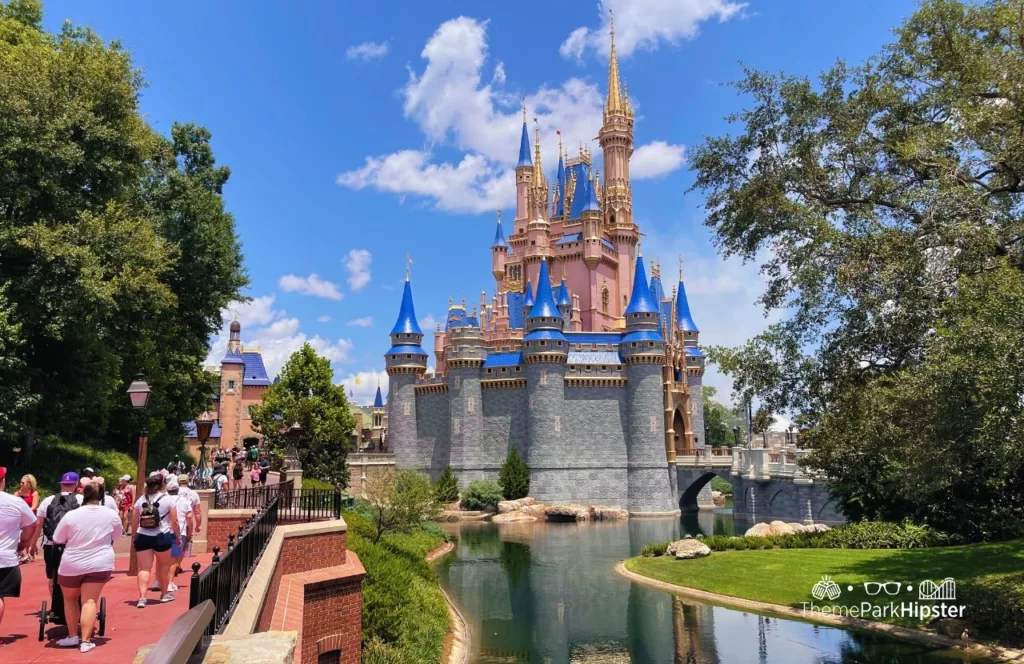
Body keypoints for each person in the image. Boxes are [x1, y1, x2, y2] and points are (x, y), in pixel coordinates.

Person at [51, 482, 121, 652]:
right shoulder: (111, 515)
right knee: (90, 600)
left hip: (72, 563)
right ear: (101, 497)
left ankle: (72, 635)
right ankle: (85, 641)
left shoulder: (71, 515)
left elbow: (57, 538)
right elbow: (117, 535)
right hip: (100, 562)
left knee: (70, 599)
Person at [34, 472, 82, 614]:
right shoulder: (81, 499)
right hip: (74, 545)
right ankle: (74, 606)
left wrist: (32, 544)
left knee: (53, 576)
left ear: (61, 484)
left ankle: (56, 609)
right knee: (76, 577)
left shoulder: (48, 500)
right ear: (76, 484)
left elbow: (39, 523)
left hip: (51, 544)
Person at [131, 472, 180, 607]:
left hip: (143, 536)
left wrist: (134, 535)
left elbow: (134, 520)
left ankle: (142, 598)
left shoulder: (141, 500)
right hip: (161, 536)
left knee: (144, 568)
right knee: (164, 566)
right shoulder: (168, 499)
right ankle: (164, 594)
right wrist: (177, 536)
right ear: (162, 485)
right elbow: (174, 521)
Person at [0, 467, 37, 637]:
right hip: (5, 557)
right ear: (3, 481)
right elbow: (31, 525)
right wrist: (23, 543)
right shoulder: (16, 502)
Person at [164, 477, 194, 589]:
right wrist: (190, 532)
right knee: (175, 558)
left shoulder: (163, 500)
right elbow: (190, 518)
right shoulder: (185, 501)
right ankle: (170, 582)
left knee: (162, 558)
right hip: (179, 531)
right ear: (177, 490)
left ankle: (160, 580)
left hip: (163, 531)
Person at [15, 475, 40, 562]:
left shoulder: (34, 493)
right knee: (18, 536)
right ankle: (21, 553)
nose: (20, 484)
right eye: (20, 482)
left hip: (30, 518)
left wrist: (25, 512)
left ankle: (28, 553)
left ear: (29, 484)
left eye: (23, 483)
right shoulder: (17, 493)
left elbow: (34, 506)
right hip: (19, 518)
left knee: (28, 536)